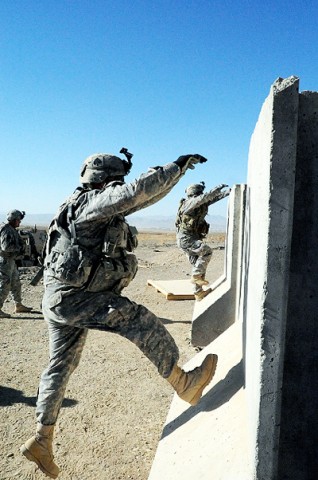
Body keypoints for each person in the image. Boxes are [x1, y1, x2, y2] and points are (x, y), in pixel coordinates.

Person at [20, 151, 219, 479]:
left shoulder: (75, 203)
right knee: (138, 320)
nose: (119, 185)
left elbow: (139, 200)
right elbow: (134, 192)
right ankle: (185, 384)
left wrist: (173, 180)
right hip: (77, 298)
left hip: (57, 299)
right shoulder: (92, 204)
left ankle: (42, 441)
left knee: (59, 366)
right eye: (116, 180)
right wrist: (176, 166)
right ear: (106, 180)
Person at [175, 181, 230, 301]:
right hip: (186, 239)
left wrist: (228, 192)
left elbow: (211, 199)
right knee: (207, 252)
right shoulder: (189, 203)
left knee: (199, 266)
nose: (201, 195)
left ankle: (198, 293)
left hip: (191, 238)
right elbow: (205, 197)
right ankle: (195, 277)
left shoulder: (197, 204)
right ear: (195, 193)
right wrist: (218, 186)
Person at [0, 209, 33, 318]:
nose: (19, 222)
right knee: (5, 284)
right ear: (13, 220)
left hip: (10, 261)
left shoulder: (11, 229)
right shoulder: (6, 230)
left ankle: (18, 305)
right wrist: (20, 249)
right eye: (18, 220)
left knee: (16, 283)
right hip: (5, 261)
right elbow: (6, 247)